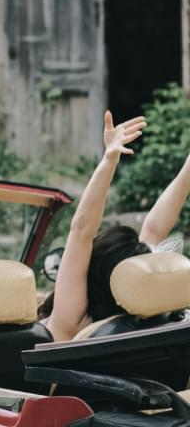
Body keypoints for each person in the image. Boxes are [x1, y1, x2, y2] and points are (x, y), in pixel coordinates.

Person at [46, 110, 190, 342]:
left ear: (92, 267)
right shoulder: (153, 322)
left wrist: (109, 159)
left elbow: (82, 230)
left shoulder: (74, 320)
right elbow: (153, 230)